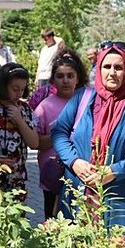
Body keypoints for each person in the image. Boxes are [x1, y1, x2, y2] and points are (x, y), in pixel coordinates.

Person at [52, 41, 125, 230]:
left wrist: (114, 171)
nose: (112, 72)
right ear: (98, 69)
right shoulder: (82, 97)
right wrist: (74, 162)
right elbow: (59, 133)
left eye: (118, 67)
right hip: (78, 189)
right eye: (106, 66)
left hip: (119, 195)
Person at [34, 49, 88, 219]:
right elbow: (36, 143)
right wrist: (61, 136)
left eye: (70, 76)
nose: (65, 81)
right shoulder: (44, 107)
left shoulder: (88, 102)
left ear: (78, 78)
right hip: (53, 175)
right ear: (52, 80)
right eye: (60, 76)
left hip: (81, 172)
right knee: (52, 220)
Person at [0, 63, 38, 200]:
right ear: (3, 86)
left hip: (16, 179)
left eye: (22, 89)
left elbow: (34, 143)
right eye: (15, 89)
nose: (19, 94)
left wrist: (19, 120)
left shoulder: (25, 110)